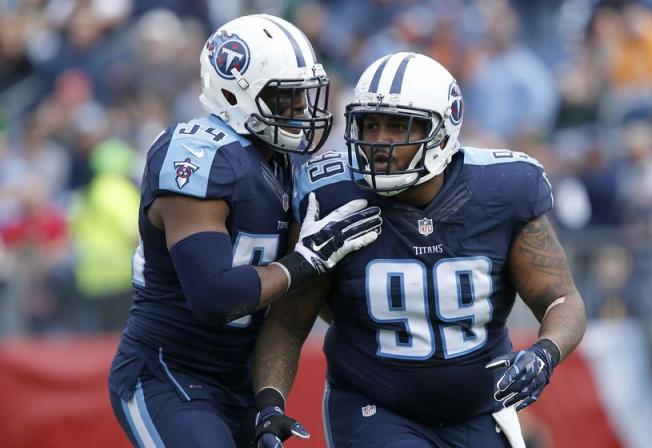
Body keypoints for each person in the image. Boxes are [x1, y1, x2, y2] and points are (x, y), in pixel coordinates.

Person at [252, 52, 587, 448]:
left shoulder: (504, 190)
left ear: (444, 131)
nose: (379, 141)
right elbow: (289, 321)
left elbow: (561, 298)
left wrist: (544, 353)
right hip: (374, 407)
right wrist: (269, 404)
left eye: (399, 126)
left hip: (480, 410)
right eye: (370, 124)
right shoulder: (332, 196)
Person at [107, 14, 382, 448]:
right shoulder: (196, 155)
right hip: (171, 372)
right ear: (234, 91)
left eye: (303, 96)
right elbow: (216, 297)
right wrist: (306, 260)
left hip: (241, 379)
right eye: (286, 99)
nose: (301, 111)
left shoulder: (279, 158)